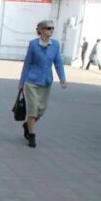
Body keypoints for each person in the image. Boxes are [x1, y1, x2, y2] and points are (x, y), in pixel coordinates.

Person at [18, 20, 67, 148]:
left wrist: (62, 78)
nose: (50, 30)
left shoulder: (55, 45)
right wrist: (21, 82)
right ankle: (32, 136)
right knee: (33, 108)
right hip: (31, 81)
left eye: (52, 28)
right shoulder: (33, 44)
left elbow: (58, 63)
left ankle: (27, 125)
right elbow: (27, 64)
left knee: (42, 109)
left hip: (46, 82)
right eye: (47, 28)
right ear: (40, 30)